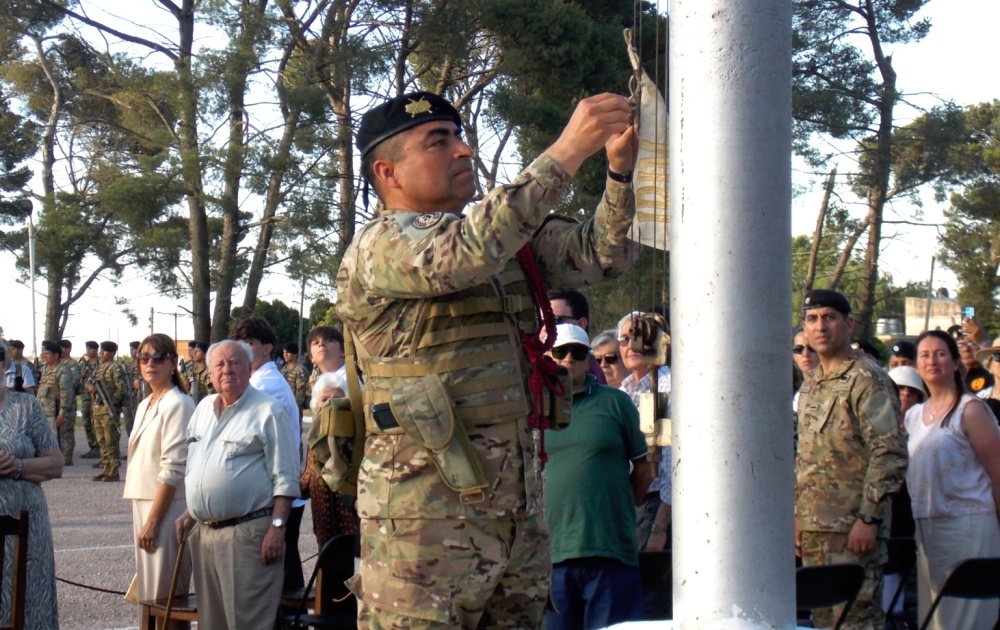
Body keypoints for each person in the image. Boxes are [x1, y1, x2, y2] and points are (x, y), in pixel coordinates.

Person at [335, 89, 638, 628]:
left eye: (460, 136)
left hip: (514, 519)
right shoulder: (380, 246)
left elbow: (603, 257)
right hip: (423, 526)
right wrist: (568, 149)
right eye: (438, 141)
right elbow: (461, 255)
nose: (463, 151)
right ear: (388, 172)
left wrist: (618, 176)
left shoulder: (504, 246)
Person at [795, 289, 908, 629]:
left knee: (857, 622)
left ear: (849, 324)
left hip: (855, 531)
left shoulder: (867, 379)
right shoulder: (813, 384)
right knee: (824, 621)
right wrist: (800, 516)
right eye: (812, 319)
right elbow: (807, 456)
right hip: (816, 529)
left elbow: (889, 452)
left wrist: (869, 519)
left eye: (830, 317)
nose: (821, 326)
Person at [174, 340, 299, 630]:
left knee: (247, 623)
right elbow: (198, 465)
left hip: (248, 536)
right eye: (219, 364)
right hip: (205, 535)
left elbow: (286, 478)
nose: (226, 370)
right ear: (209, 372)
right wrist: (190, 512)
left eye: (234, 363)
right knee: (211, 624)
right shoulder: (203, 408)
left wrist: (278, 528)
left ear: (248, 367)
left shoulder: (268, 411)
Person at [543, 324, 650, 629]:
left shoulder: (615, 403)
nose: (568, 359)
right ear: (549, 357)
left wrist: (621, 508)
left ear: (588, 358)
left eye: (577, 352)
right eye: (561, 352)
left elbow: (644, 468)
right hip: (552, 556)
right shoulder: (533, 409)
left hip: (609, 551)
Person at [905, 330, 1000, 630]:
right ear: (917, 366)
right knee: (935, 620)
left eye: (941, 353)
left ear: (956, 362)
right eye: (924, 355)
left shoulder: (970, 411)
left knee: (967, 620)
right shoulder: (913, 416)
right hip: (926, 529)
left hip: (969, 528)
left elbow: (998, 473)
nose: (932, 360)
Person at [230, 313, 306, 591]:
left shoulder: (265, 385)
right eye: (238, 342)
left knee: (277, 582)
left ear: (267, 348)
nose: (242, 348)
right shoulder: (258, 381)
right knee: (282, 575)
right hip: (274, 493)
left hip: (276, 497)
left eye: (248, 343)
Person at [123, 334, 193, 630]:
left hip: (166, 507)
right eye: (144, 358)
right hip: (144, 502)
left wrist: (153, 520)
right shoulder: (147, 403)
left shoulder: (178, 403)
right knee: (150, 598)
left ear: (173, 363)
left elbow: (173, 468)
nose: (150, 364)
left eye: (158, 358)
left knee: (167, 599)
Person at [0, 340, 63, 629]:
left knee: (29, 602)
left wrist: (19, 466)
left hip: (26, 527)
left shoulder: (26, 406)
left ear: (4, 366)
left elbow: (55, 463)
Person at [618, 312, 672, 553]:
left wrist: (659, 527)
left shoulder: (669, 386)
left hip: (656, 509)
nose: (632, 346)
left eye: (639, 337)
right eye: (624, 340)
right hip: (630, 509)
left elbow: (674, 468)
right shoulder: (624, 390)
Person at [301, 372, 359, 549]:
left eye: (337, 399)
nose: (330, 404)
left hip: (354, 533)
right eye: (324, 399)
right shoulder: (315, 440)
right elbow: (307, 481)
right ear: (315, 406)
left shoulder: (356, 437)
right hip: (324, 530)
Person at [549, 289, 606, 385]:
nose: (545, 328)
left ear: (581, 324)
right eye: (541, 322)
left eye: (555, 321)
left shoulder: (587, 375)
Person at [91, 341, 127, 482]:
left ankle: (114, 469)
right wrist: (91, 388)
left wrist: (112, 403)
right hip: (98, 409)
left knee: (111, 440)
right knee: (101, 440)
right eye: (101, 351)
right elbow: (91, 381)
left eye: (104, 351)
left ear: (112, 353)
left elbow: (121, 388)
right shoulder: (98, 369)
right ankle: (106, 467)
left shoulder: (116, 368)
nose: (101, 354)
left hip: (108, 409)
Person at [37, 341, 74, 464]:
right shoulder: (46, 369)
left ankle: (64, 460)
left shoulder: (62, 371)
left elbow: (66, 393)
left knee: (62, 436)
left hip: (56, 411)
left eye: (47, 354)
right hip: (45, 410)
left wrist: (62, 412)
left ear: (56, 355)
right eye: (43, 353)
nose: (44, 356)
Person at [58, 339, 81, 465]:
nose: (61, 350)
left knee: (67, 429)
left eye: (63, 348)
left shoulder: (72, 364)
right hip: (58, 400)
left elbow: (74, 380)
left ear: (68, 349)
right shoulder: (57, 363)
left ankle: (67, 456)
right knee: (59, 430)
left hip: (69, 401)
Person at [78, 340, 102, 459]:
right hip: (85, 397)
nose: (88, 351)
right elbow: (78, 380)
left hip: (96, 397)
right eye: (87, 349)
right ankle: (92, 447)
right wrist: (80, 376)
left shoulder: (100, 363)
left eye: (91, 349)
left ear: (96, 350)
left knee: (95, 423)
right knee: (87, 421)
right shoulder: (83, 363)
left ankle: (99, 447)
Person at [280, 342, 310, 419]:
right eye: (284, 352)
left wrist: (296, 406)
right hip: (283, 403)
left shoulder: (300, 370)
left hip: (295, 405)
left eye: (288, 352)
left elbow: (301, 391)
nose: (285, 355)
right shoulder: (284, 369)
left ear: (295, 354)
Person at [792, 326, 818, 413]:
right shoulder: (794, 393)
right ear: (794, 356)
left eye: (812, 348)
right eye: (798, 349)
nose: (806, 354)